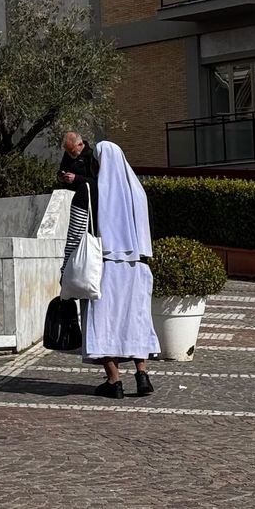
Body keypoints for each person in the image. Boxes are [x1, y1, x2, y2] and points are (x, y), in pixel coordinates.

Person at [83, 141, 160, 399]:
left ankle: (114, 380)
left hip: (106, 264)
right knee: (136, 319)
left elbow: (83, 228)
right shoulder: (138, 192)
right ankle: (142, 374)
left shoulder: (94, 190)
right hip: (138, 265)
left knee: (103, 321)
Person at [57, 131, 100, 270]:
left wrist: (76, 179)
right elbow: (61, 170)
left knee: (79, 237)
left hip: (85, 201)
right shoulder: (67, 157)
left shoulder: (91, 157)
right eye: (68, 152)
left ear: (80, 144)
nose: (70, 155)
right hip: (71, 197)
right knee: (72, 239)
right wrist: (62, 177)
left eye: (72, 151)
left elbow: (95, 182)